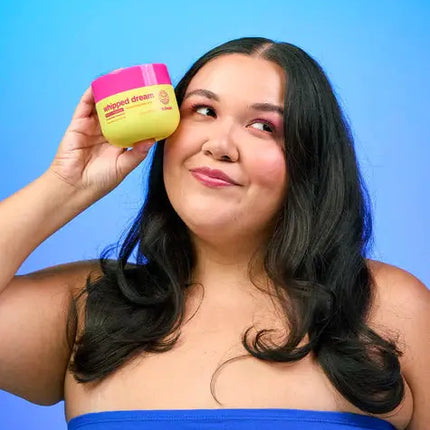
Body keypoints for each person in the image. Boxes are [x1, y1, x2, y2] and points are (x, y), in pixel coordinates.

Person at [0, 37, 428, 430]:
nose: (219, 145)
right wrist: (67, 184)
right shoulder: (89, 309)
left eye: (263, 126)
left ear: (311, 161)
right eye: (203, 111)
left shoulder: (390, 307)